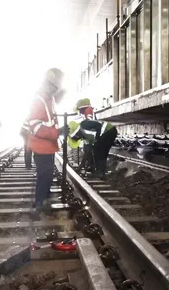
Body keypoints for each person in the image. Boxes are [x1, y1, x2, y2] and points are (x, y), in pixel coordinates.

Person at [27, 68, 65, 211]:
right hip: (41, 146)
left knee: (47, 174)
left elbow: (50, 122)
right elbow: (36, 126)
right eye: (55, 87)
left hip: (48, 146)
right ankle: (39, 203)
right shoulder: (39, 101)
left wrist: (59, 132)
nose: (57, 90)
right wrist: (57, 132)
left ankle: (44, 197)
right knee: (43, 175)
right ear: (49, 85)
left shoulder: (49, 100)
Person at [72, 99, 118, 176]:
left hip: (107, 131)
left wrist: (80, 167)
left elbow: (88, 150)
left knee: (98, 151)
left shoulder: (85, 123)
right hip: (109, 130)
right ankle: (100, 171)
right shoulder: (84, 130)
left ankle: (99, 172)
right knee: (100, 151)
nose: (80, 112)